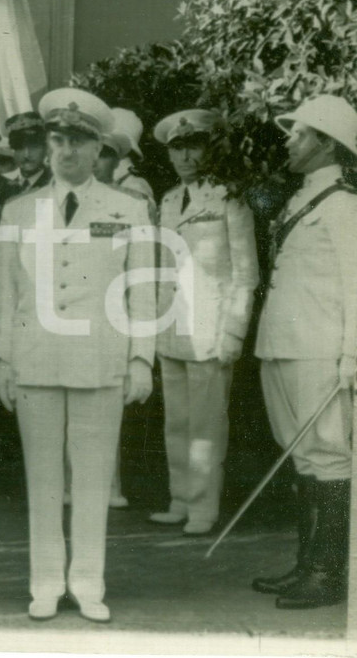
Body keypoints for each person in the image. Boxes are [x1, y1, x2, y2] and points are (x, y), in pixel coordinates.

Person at [0, 88, 155, 623]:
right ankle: (44, 582)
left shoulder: (128, 210)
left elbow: (143, 290)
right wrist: (3, 360)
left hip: (99, 360)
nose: (66, 152)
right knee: (42, 480)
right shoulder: (18, 210)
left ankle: (87, 582)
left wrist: (140, 359)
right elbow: (7, 293)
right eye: (58, 140)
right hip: (36, 359)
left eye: (78, 142)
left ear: (98, 148)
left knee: (91, 479)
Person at [251, 94, 357, 609]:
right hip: (284, 345)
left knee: (328, 455)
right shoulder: (302, 199)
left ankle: (327, 573)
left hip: (320, 349)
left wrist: (351, 357)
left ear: (326, 144)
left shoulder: (342, 206)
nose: (289, 141)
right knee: (299, 455)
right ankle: (306, 564)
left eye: (299, 134)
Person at [149, 109, 260, 536]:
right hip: (173, 328)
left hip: (211, 328)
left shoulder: (229, 197)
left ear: (209, 147)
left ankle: (202, 507)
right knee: (176, 421)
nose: (185, 156)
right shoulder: (169, 200)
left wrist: (233, 331)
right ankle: (179, 500)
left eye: (193, 145)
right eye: (177, 148)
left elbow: (245, 274)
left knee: (206, 423)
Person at [6, 111, 52, 193]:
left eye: (34, 147)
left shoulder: (55, 183)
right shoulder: (4, 186)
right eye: (19, 148)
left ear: (45, 148)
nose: (26, 155)